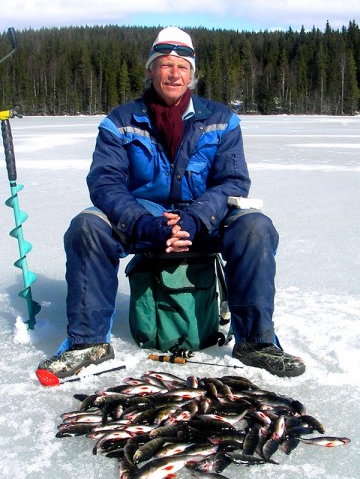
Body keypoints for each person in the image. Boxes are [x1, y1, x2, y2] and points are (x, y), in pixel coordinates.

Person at [37, 26, 305, 380]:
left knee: (255, 227)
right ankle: (88, 343)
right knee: (87, 226)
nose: (174, 73)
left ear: (192, 74)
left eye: (182, 66)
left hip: (205, 220)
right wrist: (143, 224)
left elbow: (232, 182)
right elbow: (105, 183)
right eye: (165, 64)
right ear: (150, 70)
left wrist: (195, 219)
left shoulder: (222, 119)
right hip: (144, 220)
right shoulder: (120, 121)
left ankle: (256, 342)